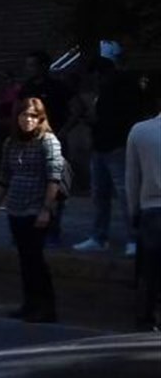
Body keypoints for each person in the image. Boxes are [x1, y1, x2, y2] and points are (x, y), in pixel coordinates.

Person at [0, 97, 66, 323]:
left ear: (40, 118)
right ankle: (29, 303)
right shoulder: (11, 143)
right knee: (24, 259)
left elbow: (54, 178)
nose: (28, 120)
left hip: (36, 207)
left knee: (35, 259)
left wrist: (46, 209)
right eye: (24, 115)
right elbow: (4, 177)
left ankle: (46, 306)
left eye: (33, 115)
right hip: (15, 207)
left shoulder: (48, 141)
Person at [74, 53, 143, 258]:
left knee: (124, 194)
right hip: (103, 146)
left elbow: (118, 118)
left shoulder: (119, 89)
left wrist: (95, 121)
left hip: (115, 145)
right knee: (101, 194)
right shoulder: (106, 90)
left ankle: (132, 237)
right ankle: (99, 236)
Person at [128, 93, 161, 331]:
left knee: (149, 270)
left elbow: (132, 176)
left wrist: (133, 210)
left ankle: (145, 316)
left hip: (150, 207)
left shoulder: (140, 131)